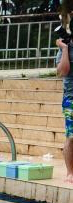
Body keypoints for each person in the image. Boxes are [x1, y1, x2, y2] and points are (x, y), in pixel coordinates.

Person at [56, 35, 73, 183]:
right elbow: (62, 71)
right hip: (71, 98)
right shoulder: (65, 48)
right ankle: (70, 173)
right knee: (71, 136)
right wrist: (65, 49)